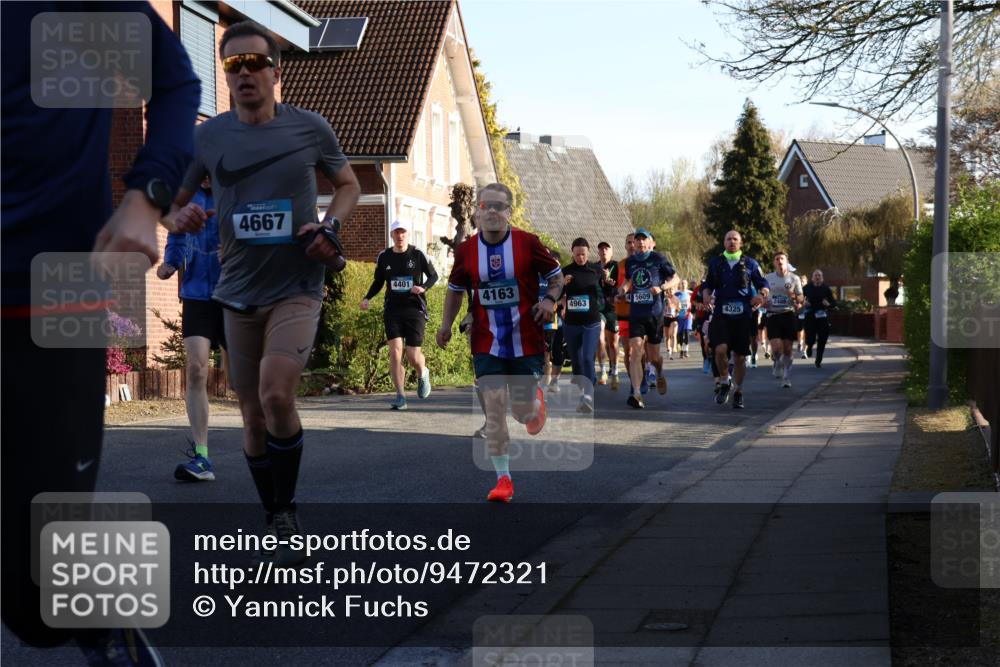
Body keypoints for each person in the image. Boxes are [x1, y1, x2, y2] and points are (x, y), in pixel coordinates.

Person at [2, 2, 201, 663]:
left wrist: (147, 195)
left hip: (54, 291)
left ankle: (101, 615)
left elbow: (175, 83)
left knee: (36, 602)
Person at [165, 21, 361, 565]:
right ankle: (272, 507)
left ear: (278, 71)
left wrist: (332, 227)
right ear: (224, 75)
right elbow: (171, 203)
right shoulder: (209, 137)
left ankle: (287, 504)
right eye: (234, 65)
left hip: (298, 283)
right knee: (251, 414)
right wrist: (177, 214)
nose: (246, 73)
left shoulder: (311, 128)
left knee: (277, 394)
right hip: (237, 290)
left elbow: (349, 185)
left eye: (255, 63)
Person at [437, 182, 561, 503]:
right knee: (494, 408)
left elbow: (557, 276)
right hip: (485, 339)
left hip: (526, 339)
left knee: (521, 413)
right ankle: (503, 479)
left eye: (498, 206)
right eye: (485, 206)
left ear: (508, 212)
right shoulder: (466, 251)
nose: (491, 211)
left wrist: (549, 298)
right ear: (477, 212)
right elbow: (455, 289)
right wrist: (446, 324)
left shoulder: (528, 243)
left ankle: (533, 403)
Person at [158, 178, 229, 480]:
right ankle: (202, 458)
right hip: (197, 294)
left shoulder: (235, 190)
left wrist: (238, 253)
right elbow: (176, 233)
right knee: (197, 369)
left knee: (243, 380)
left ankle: (268, 449)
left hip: (234, 293)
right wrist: (170, 263)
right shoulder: (186, 195)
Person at [361, 221, 438, 410]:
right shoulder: (384, 256)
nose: (400, 236)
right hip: (392, 310)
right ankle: (400, 397)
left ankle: (422, 372)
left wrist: (423, 287)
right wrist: (367, 298)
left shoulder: (417, 254)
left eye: (403, 232)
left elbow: (433, 276)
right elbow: (378, 282)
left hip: (414, 309)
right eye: (397, 232)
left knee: (412, 355)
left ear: (407, 234)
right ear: (391, 235)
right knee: (395, 353)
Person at [701, 230, 770, 409]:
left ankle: (738, 391)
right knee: (720, 349)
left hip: (742, 315)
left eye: (735, 239)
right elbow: (707, 285)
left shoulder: (750, 263)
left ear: (741, 242)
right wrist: (706, 295)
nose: (731, 241)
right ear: (724, 242)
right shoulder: (716, 263)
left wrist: (761, 295)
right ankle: (725, 381)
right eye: (728, 238)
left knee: (739, 357)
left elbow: (764, 284)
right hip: (721, 314)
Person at [618, 228, 678, 408]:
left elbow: (675, 278)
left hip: (655, 313)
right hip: (636, 313)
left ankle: (659, 372)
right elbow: (628, 281)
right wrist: (622, 290)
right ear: (634, 243)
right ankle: (636, 393)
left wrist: (662, 287)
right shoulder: (630, 262)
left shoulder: (658, 259)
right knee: (635, 351)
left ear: (650, 242)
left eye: (644, 240)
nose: (641, 243)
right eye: (638, 240)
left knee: (654, 357)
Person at [561, 238, 604, 413]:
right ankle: (585, 386)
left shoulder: (596, 270)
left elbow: (607, 291)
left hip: (591, 321)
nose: (580, 257)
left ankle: (587, 395)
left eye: (584, 254)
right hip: (571, 323)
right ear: (572, 253)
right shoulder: (565, 272)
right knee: (577, 362)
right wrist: (563, 284)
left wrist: (609, 285)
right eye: (577, 254)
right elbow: (556, 294)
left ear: (588, 253)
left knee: (587, 358)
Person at [762, 251, 803, 388]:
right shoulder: (767, 278)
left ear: (786, 262)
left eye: (782, 259)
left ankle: (786, 376)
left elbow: (801, 298)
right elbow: (761, 295)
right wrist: (764, 302)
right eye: (777, 259)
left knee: (788, 349)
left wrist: (795, 298)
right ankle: (777, 361)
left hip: (788, 314)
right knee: (777, 349)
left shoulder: (794, 279)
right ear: (774, 263)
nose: (779, 261)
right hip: (773, 315)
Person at [595, 241, 621, 390]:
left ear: (611, 252)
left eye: (606, 248)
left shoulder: (617, 267)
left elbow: (622, 285)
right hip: (599, 308)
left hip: (612, 308)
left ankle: (615, 371)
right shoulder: (594, 268)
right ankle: (603, 371)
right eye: (601, 249)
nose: (603, 251)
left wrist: (611, 283)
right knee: (600, 338)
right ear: (598, 252)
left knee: (613, 342)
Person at [803, 269, 837, 367]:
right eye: (815, 275)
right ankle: (809, 346)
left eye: (819, 275)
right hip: (810, 315)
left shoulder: (826, 289)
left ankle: (818, 360)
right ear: (812, 277)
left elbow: (834, 303)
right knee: (810, 337)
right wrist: (803, 302)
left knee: (822, 338)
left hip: (822, 315)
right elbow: (799, 298)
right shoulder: (807, 288)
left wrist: (828, 304)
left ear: (822, 278)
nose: (817, 277)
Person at [674, 280, 693, 359]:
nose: (683, 284)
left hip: (688, 316)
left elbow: (694, 303)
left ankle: (686, 350)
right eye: (682, 283)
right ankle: (681, 351)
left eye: (685, 283)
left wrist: (692, 312)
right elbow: (672, 304)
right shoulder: (676, 294)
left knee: (686, 332)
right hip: (679, 317)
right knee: (680, 335)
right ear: (679, 285)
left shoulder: (690, 293)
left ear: (687, 284)